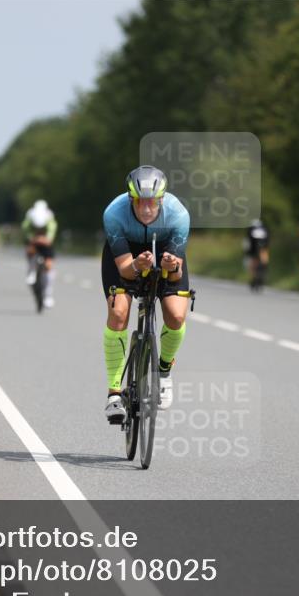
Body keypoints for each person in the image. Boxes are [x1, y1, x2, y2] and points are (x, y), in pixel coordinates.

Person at [101, 165, 191, 423]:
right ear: (131, 199)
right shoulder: (113, 214)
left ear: (162, 199)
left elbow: (175, 276)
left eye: (152, 203)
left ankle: (164, 370)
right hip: (127, 254)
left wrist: (170, 268)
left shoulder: (178, 216)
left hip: (165, 251)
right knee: (118, 314)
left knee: (175, 316)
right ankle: (114, 394)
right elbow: (125, 271)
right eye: (140, 203)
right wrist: (138, 266)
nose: (146, 209)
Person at [22, 199, 58, 307]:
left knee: (48, 265)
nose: (39, 228)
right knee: (30, 251)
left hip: (46, 242)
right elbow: (25, 230)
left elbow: (51, 235)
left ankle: (48, 295)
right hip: (33, 240)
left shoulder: (50, 218)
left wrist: (46, 239)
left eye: (41, 227)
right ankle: (31, 271)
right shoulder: (29, 217)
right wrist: (32, 238)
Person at [244, 218, 270, 291]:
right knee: (264, 262)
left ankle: (254, 278)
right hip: (263, 249)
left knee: (252, 264)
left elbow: (248, 242)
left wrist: (247, 252)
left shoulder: (250, 230)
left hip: (254, 249)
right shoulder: (264, 229)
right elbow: (268, 241)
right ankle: (262, 274)